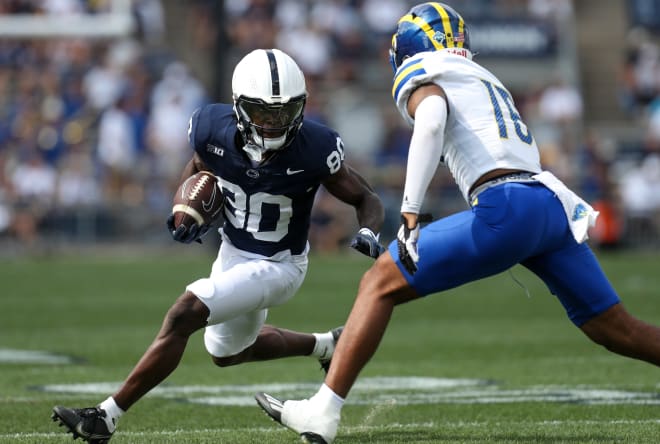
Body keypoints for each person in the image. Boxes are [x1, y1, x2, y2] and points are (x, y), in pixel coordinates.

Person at [255, 4, 660, 443]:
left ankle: (323, 411)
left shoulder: (426, 70)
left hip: (507, 207)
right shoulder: (483, 77)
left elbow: (430, 123)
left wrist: (409, 210)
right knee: (613, 327)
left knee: (380, 281)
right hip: (549, 206)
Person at [51, 48, 385, 443]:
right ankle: (328, 345)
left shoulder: (316, 146)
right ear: (240, 108)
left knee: (184, 313)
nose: (275, 123)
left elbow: (366, 197)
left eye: (284, 112)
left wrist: (369, 232)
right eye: (263, 113)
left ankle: (104, 418)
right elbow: (198, 166)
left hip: (280, 264)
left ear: (301, 107)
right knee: (226, 353)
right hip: (233, 251)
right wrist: (184, 207)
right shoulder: (211, 129)